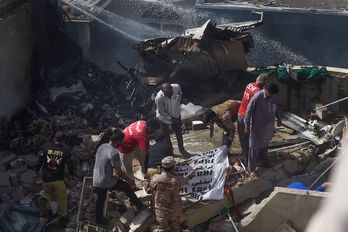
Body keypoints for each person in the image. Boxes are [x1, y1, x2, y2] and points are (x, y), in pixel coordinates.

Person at [93, 129, 144, 225]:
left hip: (96, 180)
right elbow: (118, 171)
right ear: (118, 141)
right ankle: (139, 205)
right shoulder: (113, 152)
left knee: (100, 200)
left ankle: (98, 221)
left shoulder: (102, 146)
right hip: (106, 181)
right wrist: (130, 181)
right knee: (126, 187)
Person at [244, 83, 282, 178]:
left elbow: (275, 107)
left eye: (274, 95)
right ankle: (251, 169)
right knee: (254, 147)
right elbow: (248, 111)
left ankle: (262, 161)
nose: (272, 96)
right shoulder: (257, 97)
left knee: (265, 145)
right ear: (267, 91)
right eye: (271, 94)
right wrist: (247, 126)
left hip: (268, 126)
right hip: (257, 127)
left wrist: (279, 118)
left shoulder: (272, 97)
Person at [34, 131, 73, 224]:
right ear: (64, 141)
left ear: (54, 139)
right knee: (62, 198)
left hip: (46, 179)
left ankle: (46, 207)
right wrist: (69, 175)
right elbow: (71, 165)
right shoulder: (66, 151)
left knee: (48, 193)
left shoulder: (46, 149)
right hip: (58, 180)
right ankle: (62, 217)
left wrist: (36, 173)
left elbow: (39, 163)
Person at [148, 156, 194, 232]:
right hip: (174, 211)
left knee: (163, 229)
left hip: (160, 211)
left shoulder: (155, 179)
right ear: (173, 168)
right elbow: (185, 180)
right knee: (175, 229)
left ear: (161, 167)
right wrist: (189, 176)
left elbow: (150, 189)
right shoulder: (178, 180)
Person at [237, 73, 268, 165]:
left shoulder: (250, 85)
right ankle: (255, 161)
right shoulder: (258, 93)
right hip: (248, 118)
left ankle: (245, 159)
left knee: (243, 139)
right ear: (265, 83)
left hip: (240, 115)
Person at [155, 83, 190, 157]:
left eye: (170, 92)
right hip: (163, 118)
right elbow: (161, 112)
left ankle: (182, 150)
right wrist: (171, 119)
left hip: (176, 114)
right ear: (162, 92)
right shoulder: (159, 98)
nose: (169, 95)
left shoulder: (176, 87)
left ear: (171, 88)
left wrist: (179, 101)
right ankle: (170, 152)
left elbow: (180, 94)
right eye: (166, 93)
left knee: (179, 134)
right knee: (166, 136)